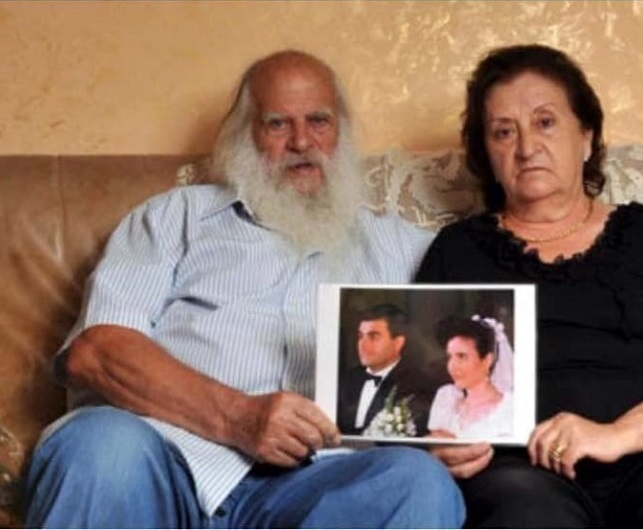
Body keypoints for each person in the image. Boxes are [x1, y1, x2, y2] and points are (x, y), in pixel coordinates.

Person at [22, 50, 464, 528]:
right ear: (245, 136)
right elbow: (97, 352)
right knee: (100, 446)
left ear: (341, 132)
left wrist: (459, 433)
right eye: (277, 124)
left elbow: (485, 332)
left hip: (323, 489)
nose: (301, 141)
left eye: (318, 121)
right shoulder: (175, 217)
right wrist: (238, 417)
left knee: (419, 483)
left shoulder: (402, 246)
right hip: (167, 465)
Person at [414, 43, 643, 528]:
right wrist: (438, 445)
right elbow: (421, 393)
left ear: (586, 137)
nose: (526, 147)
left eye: (546, 122)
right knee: (525, 514)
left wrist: (614, 435)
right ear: (487, 154)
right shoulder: (457, 249)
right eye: (504, 131)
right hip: (520, 471)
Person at [338, 303, 434, 437]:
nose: (362, 345)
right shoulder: (347, 379)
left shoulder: (417, 384)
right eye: (360, 336)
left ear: (398, 343)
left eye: (373, 337)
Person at [428, 316, 514, 440]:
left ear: (487, 360)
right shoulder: (446, 400)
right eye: (449, 357)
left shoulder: (510, 408)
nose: (452, 366)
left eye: (461, 356)